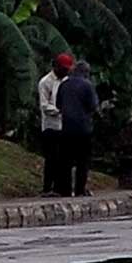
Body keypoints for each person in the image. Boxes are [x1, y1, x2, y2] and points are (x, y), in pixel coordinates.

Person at [43, 51, 101, 198]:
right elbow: (93, 106)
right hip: (83, 128)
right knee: (83, 161)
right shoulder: (88, 85)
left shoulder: (64, 85)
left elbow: (59, 105)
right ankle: (80, 190)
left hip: (66, 128)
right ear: (86, 73)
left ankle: (66, 190)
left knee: (66, 161)